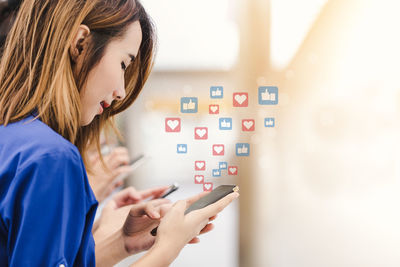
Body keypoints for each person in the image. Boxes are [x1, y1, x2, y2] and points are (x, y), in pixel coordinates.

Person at [0, 1, 239, 267]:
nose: (121, 92)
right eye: (124, 64)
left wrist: (117, 244)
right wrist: (168, 247)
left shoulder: (13, 140)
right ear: (80, 43)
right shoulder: (51, 158)